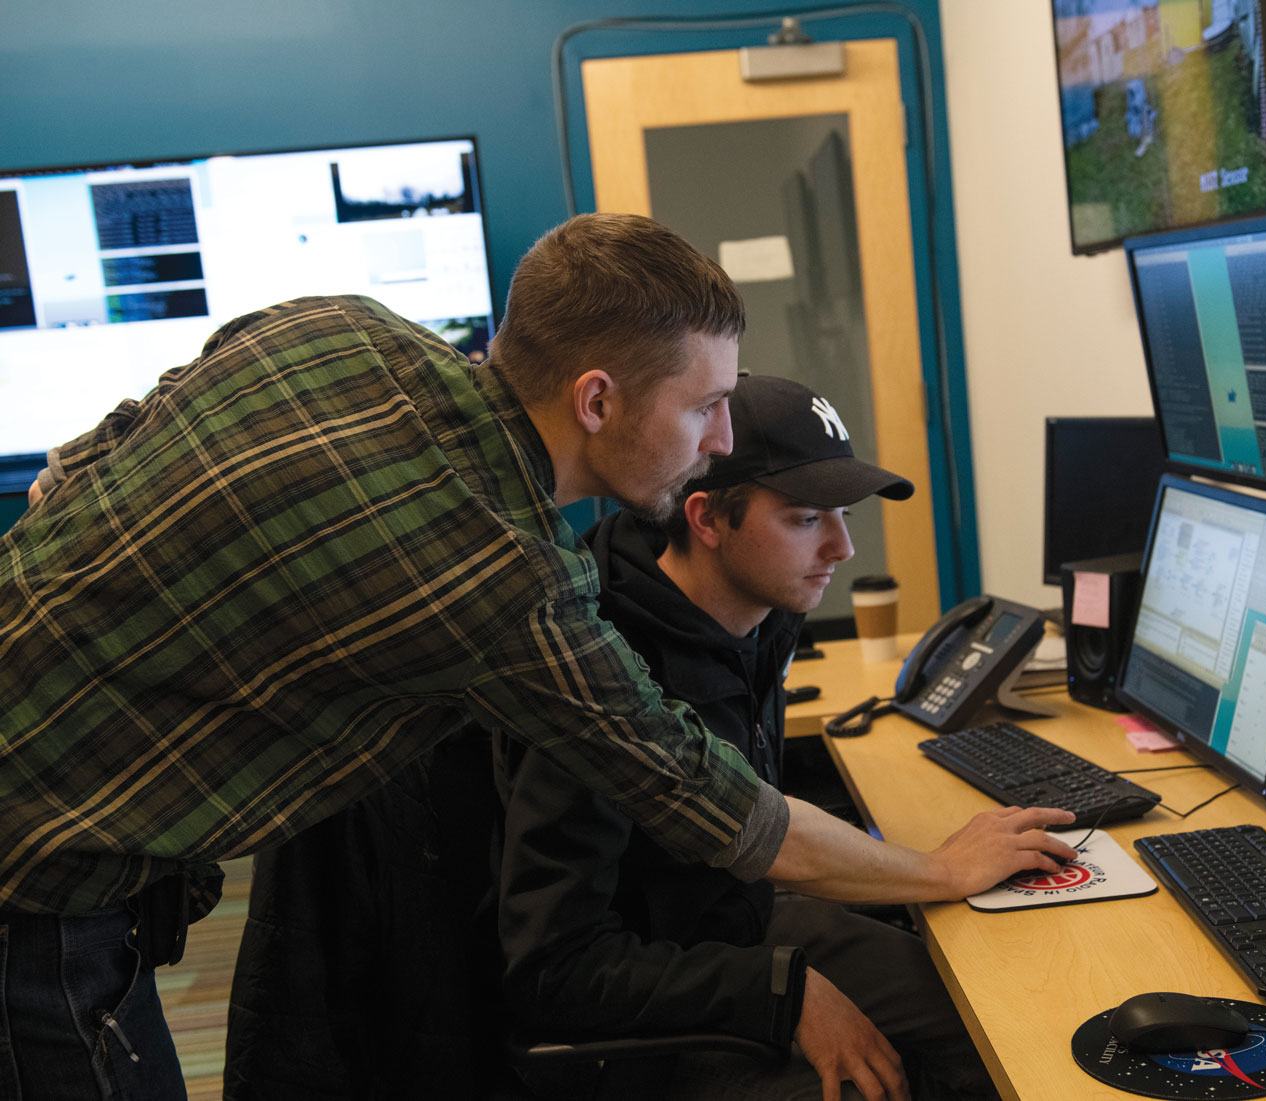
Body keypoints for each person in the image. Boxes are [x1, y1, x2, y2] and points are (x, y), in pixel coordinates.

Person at [0, 213, 1075, 1100]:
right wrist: (938, 869)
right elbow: (719, 811)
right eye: (702, 407)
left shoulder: (334, 328)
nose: (716, 440)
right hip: (39, 885)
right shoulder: (501, 581)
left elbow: (74, 464)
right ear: (597, 399)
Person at [496, 374, 995, 1101]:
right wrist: (781, 994)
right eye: (804, 519)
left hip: (735, 923)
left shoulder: (758, 609)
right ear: (705, 518)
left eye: (843, 514)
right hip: (650, 999)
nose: (842, 546)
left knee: (982, 1009)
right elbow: (557, 970)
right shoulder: (597, 680)